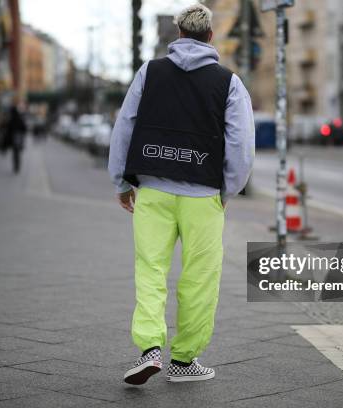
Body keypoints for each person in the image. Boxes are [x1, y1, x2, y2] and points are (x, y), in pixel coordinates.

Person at [108, 3, 254, 385]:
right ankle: (184, 362)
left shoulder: (149, 73)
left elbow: (125, 126)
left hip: (153, 190)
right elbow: (241, 145)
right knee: (200, 277)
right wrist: (228, 190)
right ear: (210, 37)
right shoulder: (229, 82)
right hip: (203, 196)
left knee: (151, 270)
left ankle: (150, 349)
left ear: (178, 36)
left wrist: (123, 183)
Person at [4, 103, 27, 173]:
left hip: (14, 138)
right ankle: (17, 166)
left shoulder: (11, 119)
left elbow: (8, 130)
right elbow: (24, 128)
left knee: (15, 153)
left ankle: (16, 166)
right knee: (17, 153)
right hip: (19, 138)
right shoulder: (19, 118)